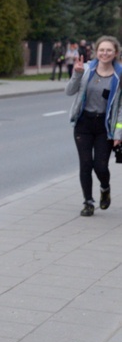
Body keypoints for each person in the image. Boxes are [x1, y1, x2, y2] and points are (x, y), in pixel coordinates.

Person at [66, 35, 122, 216]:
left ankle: (105, 188)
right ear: (96, 51)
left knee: (101, 166)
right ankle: (88, 202)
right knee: (85, 164)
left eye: (109, 50)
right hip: (84, 124)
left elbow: (120, 107)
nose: (105, 53)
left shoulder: (119, 76)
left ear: (115, 53)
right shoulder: (87, 69)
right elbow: (69, 91)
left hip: (104, 127)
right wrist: (77, 74)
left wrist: (118, 132)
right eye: (102, 50)